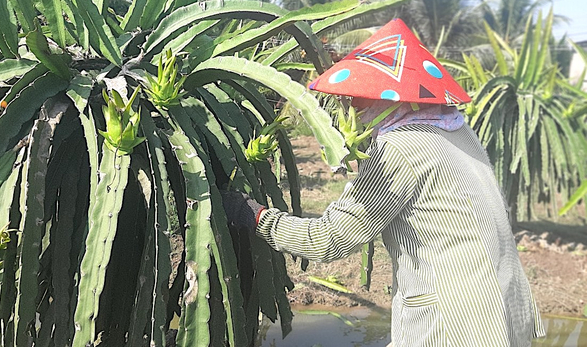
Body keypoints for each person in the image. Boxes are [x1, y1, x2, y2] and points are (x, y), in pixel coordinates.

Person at [221, 19, 545, 346]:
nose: (353, 106)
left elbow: (326, 240)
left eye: (361, 96)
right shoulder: (458, 129)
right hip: (506, 306)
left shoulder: (398, 148)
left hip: (456, 322)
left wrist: (255, 215)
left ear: (388, 99)